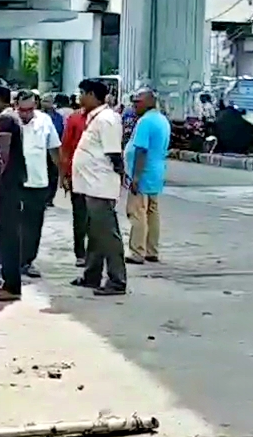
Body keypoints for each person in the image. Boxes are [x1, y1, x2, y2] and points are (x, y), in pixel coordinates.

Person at [73, 79, 126, 296]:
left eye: (82, 93)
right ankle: (91, 275)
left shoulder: (107, 119)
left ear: (93, 95)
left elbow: (114, 153)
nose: (79, 98)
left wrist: (120, 177)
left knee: (107, 233)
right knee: (94, 232)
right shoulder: (94, 118)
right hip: (90, 184)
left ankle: (117, 280)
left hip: (100, 184)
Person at [0, 82, 23, 302]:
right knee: (8, 235)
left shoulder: (5, 119)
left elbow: (3, 155)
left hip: (7, 186)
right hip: (12, 184)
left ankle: (12, 286)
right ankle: (9, 283)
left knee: (8, 235)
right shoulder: (12, 117)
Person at [16, 89, 60, 278]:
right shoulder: (9, 121)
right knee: (13, 224)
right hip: (15, 183)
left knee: (33, 225)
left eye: (29, 109)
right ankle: (9, 261)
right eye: (22, 110)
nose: (26, 114)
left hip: (39, 182)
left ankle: (27, 261)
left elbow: (54, 149)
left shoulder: (44, 121)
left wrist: (63, 174)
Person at [125, 87, 170, 265]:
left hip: (143, 172)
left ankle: (137, 251)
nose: (135, 105)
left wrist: (135, 177)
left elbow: (141, 150)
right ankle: (152, 250)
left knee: (137, 212)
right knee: (152, 211)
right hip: (156, 171)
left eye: (138, 102)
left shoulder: (145, 122)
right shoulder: (162, 120)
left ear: (150, 101)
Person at [59, 83, 91, 279]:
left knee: (96, 217)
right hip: (77, 173)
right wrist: (63, 175)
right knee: (80, 215)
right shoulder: (74, 118)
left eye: (82, 93)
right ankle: (80, 252)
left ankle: (94, 253)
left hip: (97, 176)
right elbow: (66, 147)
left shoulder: (104, 119)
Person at [43, 94, 66, 206]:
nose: (46, 103)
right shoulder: (39, 117)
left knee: (54, 173)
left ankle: (50, 198)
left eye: (48, 101)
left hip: (55, 147)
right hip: (42, 149)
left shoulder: (58, 117)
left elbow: (62, 131)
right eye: (44, 101)